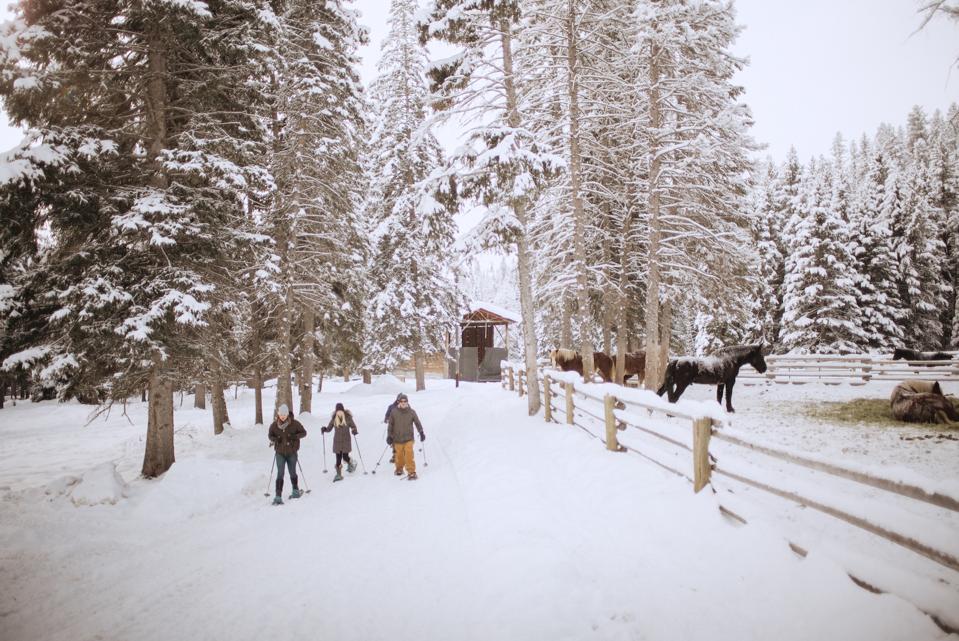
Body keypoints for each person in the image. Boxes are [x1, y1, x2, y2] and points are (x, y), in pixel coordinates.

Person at [268, 403, 307, 505]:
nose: (283, 416)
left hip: (291, 452)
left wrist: (294, 437)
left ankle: (295, 490)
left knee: (292, 472)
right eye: (281, 414)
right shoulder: (274, 425)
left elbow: (304, 433)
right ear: (278, 414)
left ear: (287, 415)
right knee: (280, 473)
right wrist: (276, 439)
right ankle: (278, 496)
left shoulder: (294, 423)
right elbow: (270, 435)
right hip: (280, 453)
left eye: (284, 414)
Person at [386, 393, 425, 480]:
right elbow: (390, 425)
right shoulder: (394, 412)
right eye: (401, 401)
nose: (403, 403)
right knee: (399, 456)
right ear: (398, 402)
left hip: (408, 438)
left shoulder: (412, 412)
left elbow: (417, 423)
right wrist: (389, 436)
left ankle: (411, 472)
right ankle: (399, 469)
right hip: (397, 439)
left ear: (407, 402)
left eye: (405, 401)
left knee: (409, 455)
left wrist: (421, 432)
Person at [322, 402, 359, 482]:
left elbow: (353, 426)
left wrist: (354, 430)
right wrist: (324, 429)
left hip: (346, 441)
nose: (339, 412)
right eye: (338, 410)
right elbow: (329, 428)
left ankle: (351, 464)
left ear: (343, 410)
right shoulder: (334, 418)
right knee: (338, 458)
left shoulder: (348, 418)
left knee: (345, 457)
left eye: (340, 410)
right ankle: (338, 475)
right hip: (337, 442)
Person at [383, 393, 403, 464]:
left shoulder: (405, 406)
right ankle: (394, 455)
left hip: (403, 427)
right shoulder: (391, 407)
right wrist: (387, 419)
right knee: (394, 442)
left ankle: (402, 455)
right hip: (393, 428)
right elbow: (387, 415)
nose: (400, 401)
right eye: (399, 400)